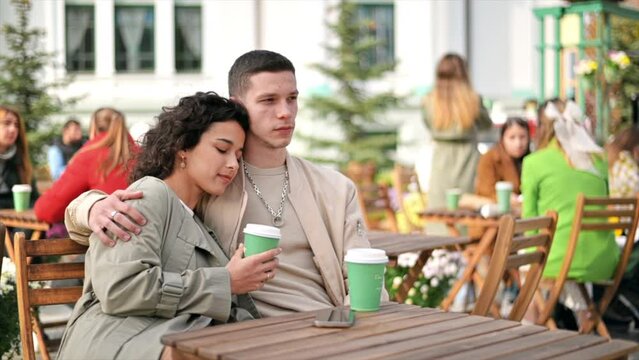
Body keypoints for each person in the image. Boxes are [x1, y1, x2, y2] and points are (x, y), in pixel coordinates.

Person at [63, 50, 379, 317]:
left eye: (292, 99)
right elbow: (145, 199)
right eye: (269, 100)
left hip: (326, 326)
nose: (285, 112)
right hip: (243, 334)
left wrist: (347, 328)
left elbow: (366, 281)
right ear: (238, 104)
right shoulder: (211, 178)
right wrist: (90, 206)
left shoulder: (334, 188)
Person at [56, 92, 279, 360]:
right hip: (112, 342)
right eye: (222, 149)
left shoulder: (198, 218)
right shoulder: (150, 194)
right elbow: (122, 289)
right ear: (183, 148)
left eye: (238, 155)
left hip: (160, 339)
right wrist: (226, 281)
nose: (232, 164)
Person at [521, 99, 618, 283]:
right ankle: (585, 311)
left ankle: (540, 312)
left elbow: (530, 222)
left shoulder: (534, 162)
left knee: (523, 267)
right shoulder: (599, 160)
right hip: (603, 262)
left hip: (555, 262)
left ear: (543, 127)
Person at [34, 107, 138, 224]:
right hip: (148, 233)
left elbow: (47, 210)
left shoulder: (90, 154)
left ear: (93, 127)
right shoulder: (143, 155)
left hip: (107, 236)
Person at [421, 53, 492, 209]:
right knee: (467, 209)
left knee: (439, 210)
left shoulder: (428, 100)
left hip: (441, 159)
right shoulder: (473, 100)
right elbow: (487, 124)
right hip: (468, 159)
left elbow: (427, 123)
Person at [475, 117, 530, 201]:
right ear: (502, 139)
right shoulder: (490, 158)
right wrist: (506, 197)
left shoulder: (532, 159)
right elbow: (485, 191)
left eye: (522, 137)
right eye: (512, 137)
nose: (518, 143)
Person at [0, 106, 38, 209]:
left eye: (16, 125)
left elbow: (34, 199)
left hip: (18, 220)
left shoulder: (21, 159)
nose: (13, 129)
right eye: (7, 123)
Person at [606, 125, 639, 198]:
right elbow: (636, 185)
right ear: (635, 146)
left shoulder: (616, 161)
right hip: (630, 208)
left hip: (620, 207)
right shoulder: (626, 161)